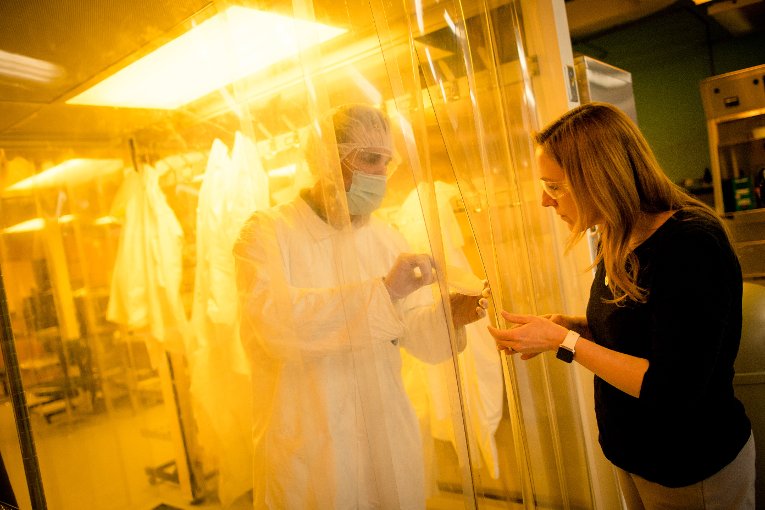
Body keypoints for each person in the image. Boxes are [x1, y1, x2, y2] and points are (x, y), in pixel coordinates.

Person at [487, 102, 754, 509]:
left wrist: (566, 341)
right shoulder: (616, 235)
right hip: (634, 456)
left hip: (689, 465)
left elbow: (672, 387)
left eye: (555, 186)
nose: (545, 200)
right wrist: (572, 327)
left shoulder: (690, 244)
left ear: (599, 178)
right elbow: (642, 332)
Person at [233, 103, 489, 509]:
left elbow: (412, 333)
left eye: (387, 162)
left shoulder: (385, 238)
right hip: (309, 441)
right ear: (326, 159)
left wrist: (449, 315)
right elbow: (275, 327)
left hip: (383, 432)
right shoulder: (267, 233)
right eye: (369, 159)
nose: (381, 176)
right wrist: (383, 294)